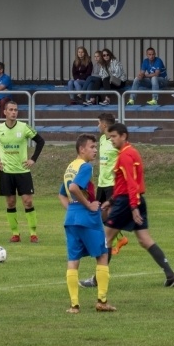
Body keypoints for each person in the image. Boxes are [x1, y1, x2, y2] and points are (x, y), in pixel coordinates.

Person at [101, 123, 174, 287]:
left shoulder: (125, 156)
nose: (111, 140)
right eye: (109, 137)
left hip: (127, 202)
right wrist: (111, 201)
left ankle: (97, 279)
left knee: (106, 239)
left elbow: (131, 184)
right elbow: (126, 183)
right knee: (145, 240)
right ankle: (170, 275)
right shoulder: (132, 152)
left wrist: (132, 206)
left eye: (114, 136)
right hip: (133, 199)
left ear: (124, 136)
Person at [59, 134, 114, 313]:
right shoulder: (85, 167)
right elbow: (74, 188)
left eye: (96, 147)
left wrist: (72, 209)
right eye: (92, 147)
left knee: (73, 260)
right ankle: (102, 301)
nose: (95, 150)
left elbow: (62, 193)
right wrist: (88, 205)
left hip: (72, 218)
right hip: (87, 218)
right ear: (82, 149)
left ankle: (74, 305)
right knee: (102, 256)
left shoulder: (70, 167)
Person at [78, 113, 130, 289]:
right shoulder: (101, 139)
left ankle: (114, 241)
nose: (98, 125)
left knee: (105, 228)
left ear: (105, 124)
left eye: (99, 123)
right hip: (101, 184)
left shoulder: (117, 143)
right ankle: (118, 238)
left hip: (112, 185)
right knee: (98, 220)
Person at [0, 100, 46, 243]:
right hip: (6, 172)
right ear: (5, 112)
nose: (14, 112)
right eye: (11, 110)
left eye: (16, 110)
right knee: (11, 202)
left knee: (28, 201)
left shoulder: (24, 127)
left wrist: (33, 159)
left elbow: (40, 141)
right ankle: (15, 233)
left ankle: (33, 233)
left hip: (23, 172)